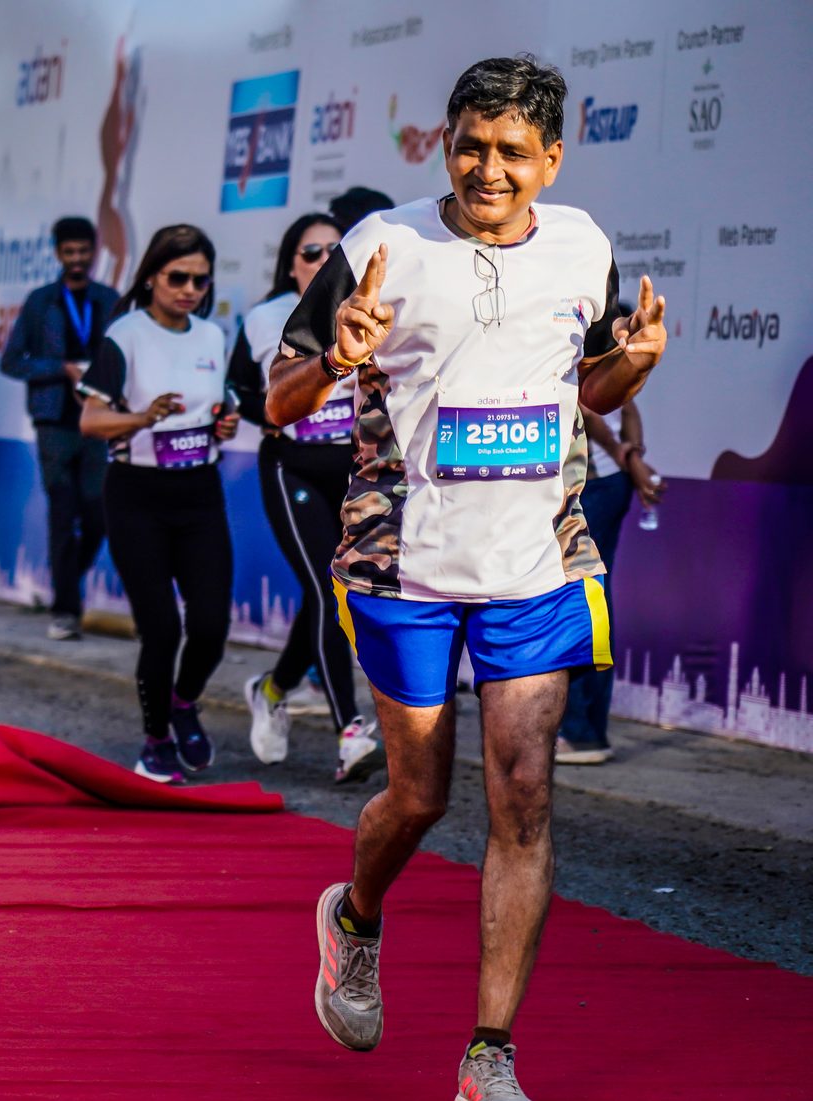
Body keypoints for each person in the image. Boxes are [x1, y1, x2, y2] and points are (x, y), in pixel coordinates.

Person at [266, 56, 666, 1098]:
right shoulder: (379, 245)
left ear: (553, 161)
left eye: (513, 154)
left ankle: (489, 1056)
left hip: (536, 561)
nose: (489, 170)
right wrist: (334, 357)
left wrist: (635, 367)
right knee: (419, 794)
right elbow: (275, 399)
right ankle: (354, 916)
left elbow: (583, 384)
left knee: (524, 794)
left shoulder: (582, 244)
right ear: (445, 139)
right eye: (471, 146)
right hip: (403, 561)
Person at [77, 225, 238, 784]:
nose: (190, 288)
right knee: (162, 629)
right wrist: (144, 418)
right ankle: (155, 740)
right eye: (178, 278)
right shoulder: (126, 335)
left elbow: (224, 407)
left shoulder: (212, 337)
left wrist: (226, 420)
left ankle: (184, 702)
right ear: (151, 277)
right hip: (137, 495)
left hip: (200, 492)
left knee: (213, 624)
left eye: (200, 279)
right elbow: (91, 420)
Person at [229, 211, 384, 783]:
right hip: (289, 467)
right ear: (290, 262)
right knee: (327, 588)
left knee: (327, 593)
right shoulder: (266, 318)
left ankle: (271, 690)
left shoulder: (365, 313)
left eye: (331, 252)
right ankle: (350, 732)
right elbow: (240, 390)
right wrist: (264, 417)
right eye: (311, 251)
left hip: (350, 472)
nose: (323, 262)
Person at [0, 216, 119, 641]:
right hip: (53, 423)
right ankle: (65, 609)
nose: (76, 260)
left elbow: (126, 357)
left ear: (94, 252)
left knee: (97, 517)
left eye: (83, 252)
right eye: (69, 253)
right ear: (57, 254)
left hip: (98, 421)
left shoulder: (109, 299)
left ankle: (65, 580)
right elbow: (11, 361)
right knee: (61, 516)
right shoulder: (40, 302)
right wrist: (61, 369)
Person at [557, 393, 661, 764]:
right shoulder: (612, 343)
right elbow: (629, 407)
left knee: (580, 600)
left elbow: (583, 407)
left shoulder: (574, 336)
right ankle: (584, 730)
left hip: (590, 482)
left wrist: (623, 454)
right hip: (609, 481)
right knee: (592, 596)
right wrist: (631, 458)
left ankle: (581, 732)